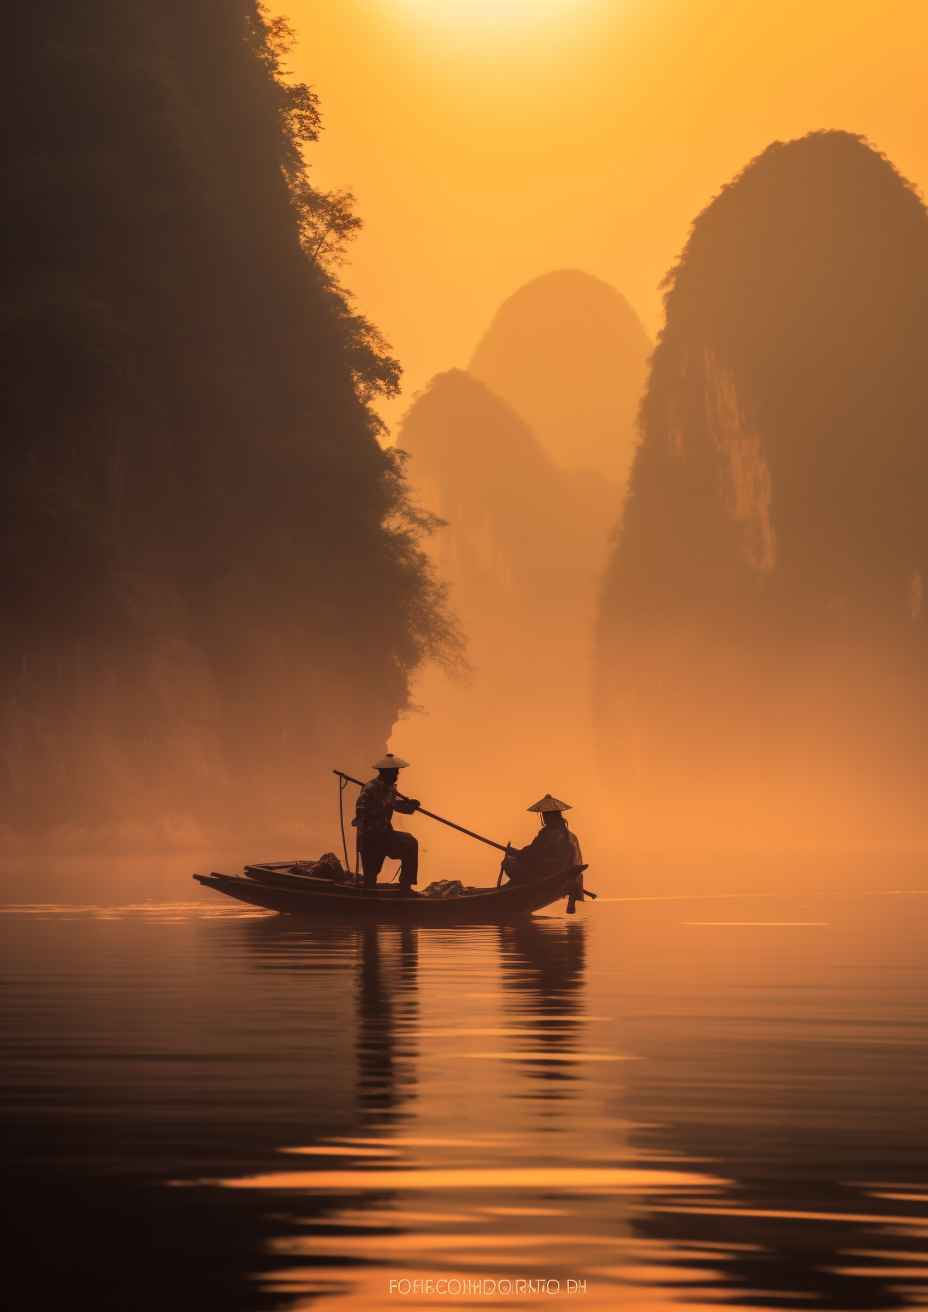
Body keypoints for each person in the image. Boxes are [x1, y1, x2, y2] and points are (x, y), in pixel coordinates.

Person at [354, 754, 421, 892]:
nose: (397, 773)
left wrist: (411, 805)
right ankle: (369, 895)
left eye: (397, 771)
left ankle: (405, 885)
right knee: (370, 878)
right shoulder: (370, 788)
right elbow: (361, 812)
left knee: (410, 843)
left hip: (385, 834)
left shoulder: (390, 788)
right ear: (386, 773)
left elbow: (397, 805)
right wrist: (382, 806)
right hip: (370, 837)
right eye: (395, 771)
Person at [502, 794, 583, 885]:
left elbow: (533, 853)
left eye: (545, 815)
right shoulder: (571, 836)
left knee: (508, 863)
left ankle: (523, 887)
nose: (544, 817)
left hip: (549, 875)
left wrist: (517, 853)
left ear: (550, 816)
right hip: (558, 874)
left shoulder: (549, 834)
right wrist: (518, 853)